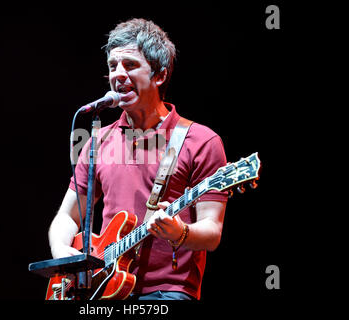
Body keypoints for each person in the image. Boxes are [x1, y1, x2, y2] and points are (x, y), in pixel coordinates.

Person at [48, 18, 228, 300]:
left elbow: (212, 231)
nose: (118, 74)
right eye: (112, 66)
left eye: (130, 65)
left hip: (166, 291)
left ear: (159, 76)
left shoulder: (201, 141)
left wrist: (179, 232)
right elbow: (67, 217)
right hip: (102, 288)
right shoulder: (98, 141)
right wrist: (61, 251)